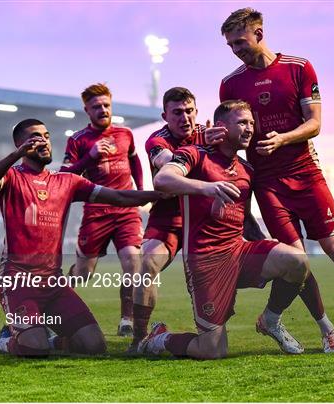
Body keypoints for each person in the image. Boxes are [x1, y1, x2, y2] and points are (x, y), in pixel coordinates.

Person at [208, 7, 334, 353]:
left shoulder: (298, 67)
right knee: (298, 259)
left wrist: (282, 138)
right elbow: (233, 135)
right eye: (231, 46)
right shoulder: (230, 83)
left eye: (240, 42)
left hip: (306, 175)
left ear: (259, 34)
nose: (236, 50)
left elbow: (315, 124)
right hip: (267, 183)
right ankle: (326, 329)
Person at [139, 100, 309, 359]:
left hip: (238, 252)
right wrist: (207, 187)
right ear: (221, 127)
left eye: (251, 123)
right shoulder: (195, 155)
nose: (250, 129)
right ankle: (159, 339)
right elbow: (163, 179)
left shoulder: (247, 169)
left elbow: (246, 219)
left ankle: (271, 320)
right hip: (205, 262)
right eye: (242, 122)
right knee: (212, 350)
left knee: (296, 260)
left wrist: (270, 247)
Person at [0, 119, 162, 357]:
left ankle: (44, 336)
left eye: (46, 136)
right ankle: (6, 340)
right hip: (18, 282)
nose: (44, 141)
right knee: (34, 349)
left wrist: (161, 195)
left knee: (94, 346)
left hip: (53, 284)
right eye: (35, 137)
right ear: (20, 145)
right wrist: (16, 155)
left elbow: (118, 197)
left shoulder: (67, 181)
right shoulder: (12, 178)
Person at [61, 83, 145, 337]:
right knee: (84, 274)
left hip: (126, 210)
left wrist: (140, 191)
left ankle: (126, 320)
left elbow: (134, 159)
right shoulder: (78, 140)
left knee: (133, 261)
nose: (103, 110)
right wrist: (91, 157)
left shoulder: (125, 134)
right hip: (96, 211)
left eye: (106, 105)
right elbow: (65, 174)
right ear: (87, 110)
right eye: (96, 106)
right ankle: (58, 292)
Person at [130, 87, 206, 350]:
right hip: (168, 217)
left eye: (189, 111)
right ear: (165, 116)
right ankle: (139, 337)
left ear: (196, 112)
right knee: (146, 266)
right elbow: (168, 163)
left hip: (203, 217)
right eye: (177, 113)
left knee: (211, 274)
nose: (184, 118)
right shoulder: (156, 140)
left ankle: (212, 329)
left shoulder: (209, 134)